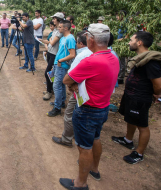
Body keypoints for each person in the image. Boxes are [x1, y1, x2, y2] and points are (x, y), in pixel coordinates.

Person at [59, 23, 119, 190]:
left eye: (86, 37)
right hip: (103, 108)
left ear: (91, 40)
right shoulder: (113, 57)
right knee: (96, 139)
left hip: (87, 110)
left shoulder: (91, 61)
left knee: (84, 148)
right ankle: (94, 169)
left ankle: (80, 183)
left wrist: (74, 85)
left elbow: (66, 80)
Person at [111, 32, 161, 164]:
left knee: (142, 125)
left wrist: (157, 94)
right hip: (132, 95)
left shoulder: (150, 62)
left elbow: (158, 84)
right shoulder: (141, 58)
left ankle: (139, 153)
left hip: (140, 98)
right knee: (131, 119)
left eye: (131, 40)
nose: (129, 42)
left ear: (139, 42)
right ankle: (128, 140)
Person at [52, 31, 93, 148]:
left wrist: (71, 86)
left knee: (70, 114)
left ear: (80, 43)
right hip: (89, 90)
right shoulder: (96, 53)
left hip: (80, 90)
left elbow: (69, 77)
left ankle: (66, 139)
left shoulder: (81, 55)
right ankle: (77, 134)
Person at [47, 19, 76, 117]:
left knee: (56, 86)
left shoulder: (70, 39)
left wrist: (60, 61)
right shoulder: (63, 38)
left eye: (60, 27)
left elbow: (72, 54)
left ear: (66, 28)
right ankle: (61, 102)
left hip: (62, 66)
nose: (58, 28)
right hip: (57, 65)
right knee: (60, 84)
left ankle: (57, 108)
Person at [39, 13, 63, 101]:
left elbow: (52, 43)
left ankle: (49, 91)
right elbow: (50, 42)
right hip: (50, 53)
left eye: (54, 19)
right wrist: (43, 40)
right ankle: (50, 89)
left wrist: (50, 40)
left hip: (54, 55)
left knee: (48, 73)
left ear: (58, 20)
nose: (53, 20)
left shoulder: (59, 31)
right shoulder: (55, 30)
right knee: (50, 73)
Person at [116, 10, 128, 84]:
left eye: (118, 16)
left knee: (121, 60)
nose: (116, 17)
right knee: (118, 60)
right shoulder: (119, 23)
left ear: (122, 16)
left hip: (122, 45)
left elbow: (127, 36)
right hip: (118, 44)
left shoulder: (125, 24)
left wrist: (119, 40)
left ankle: (120, 77)